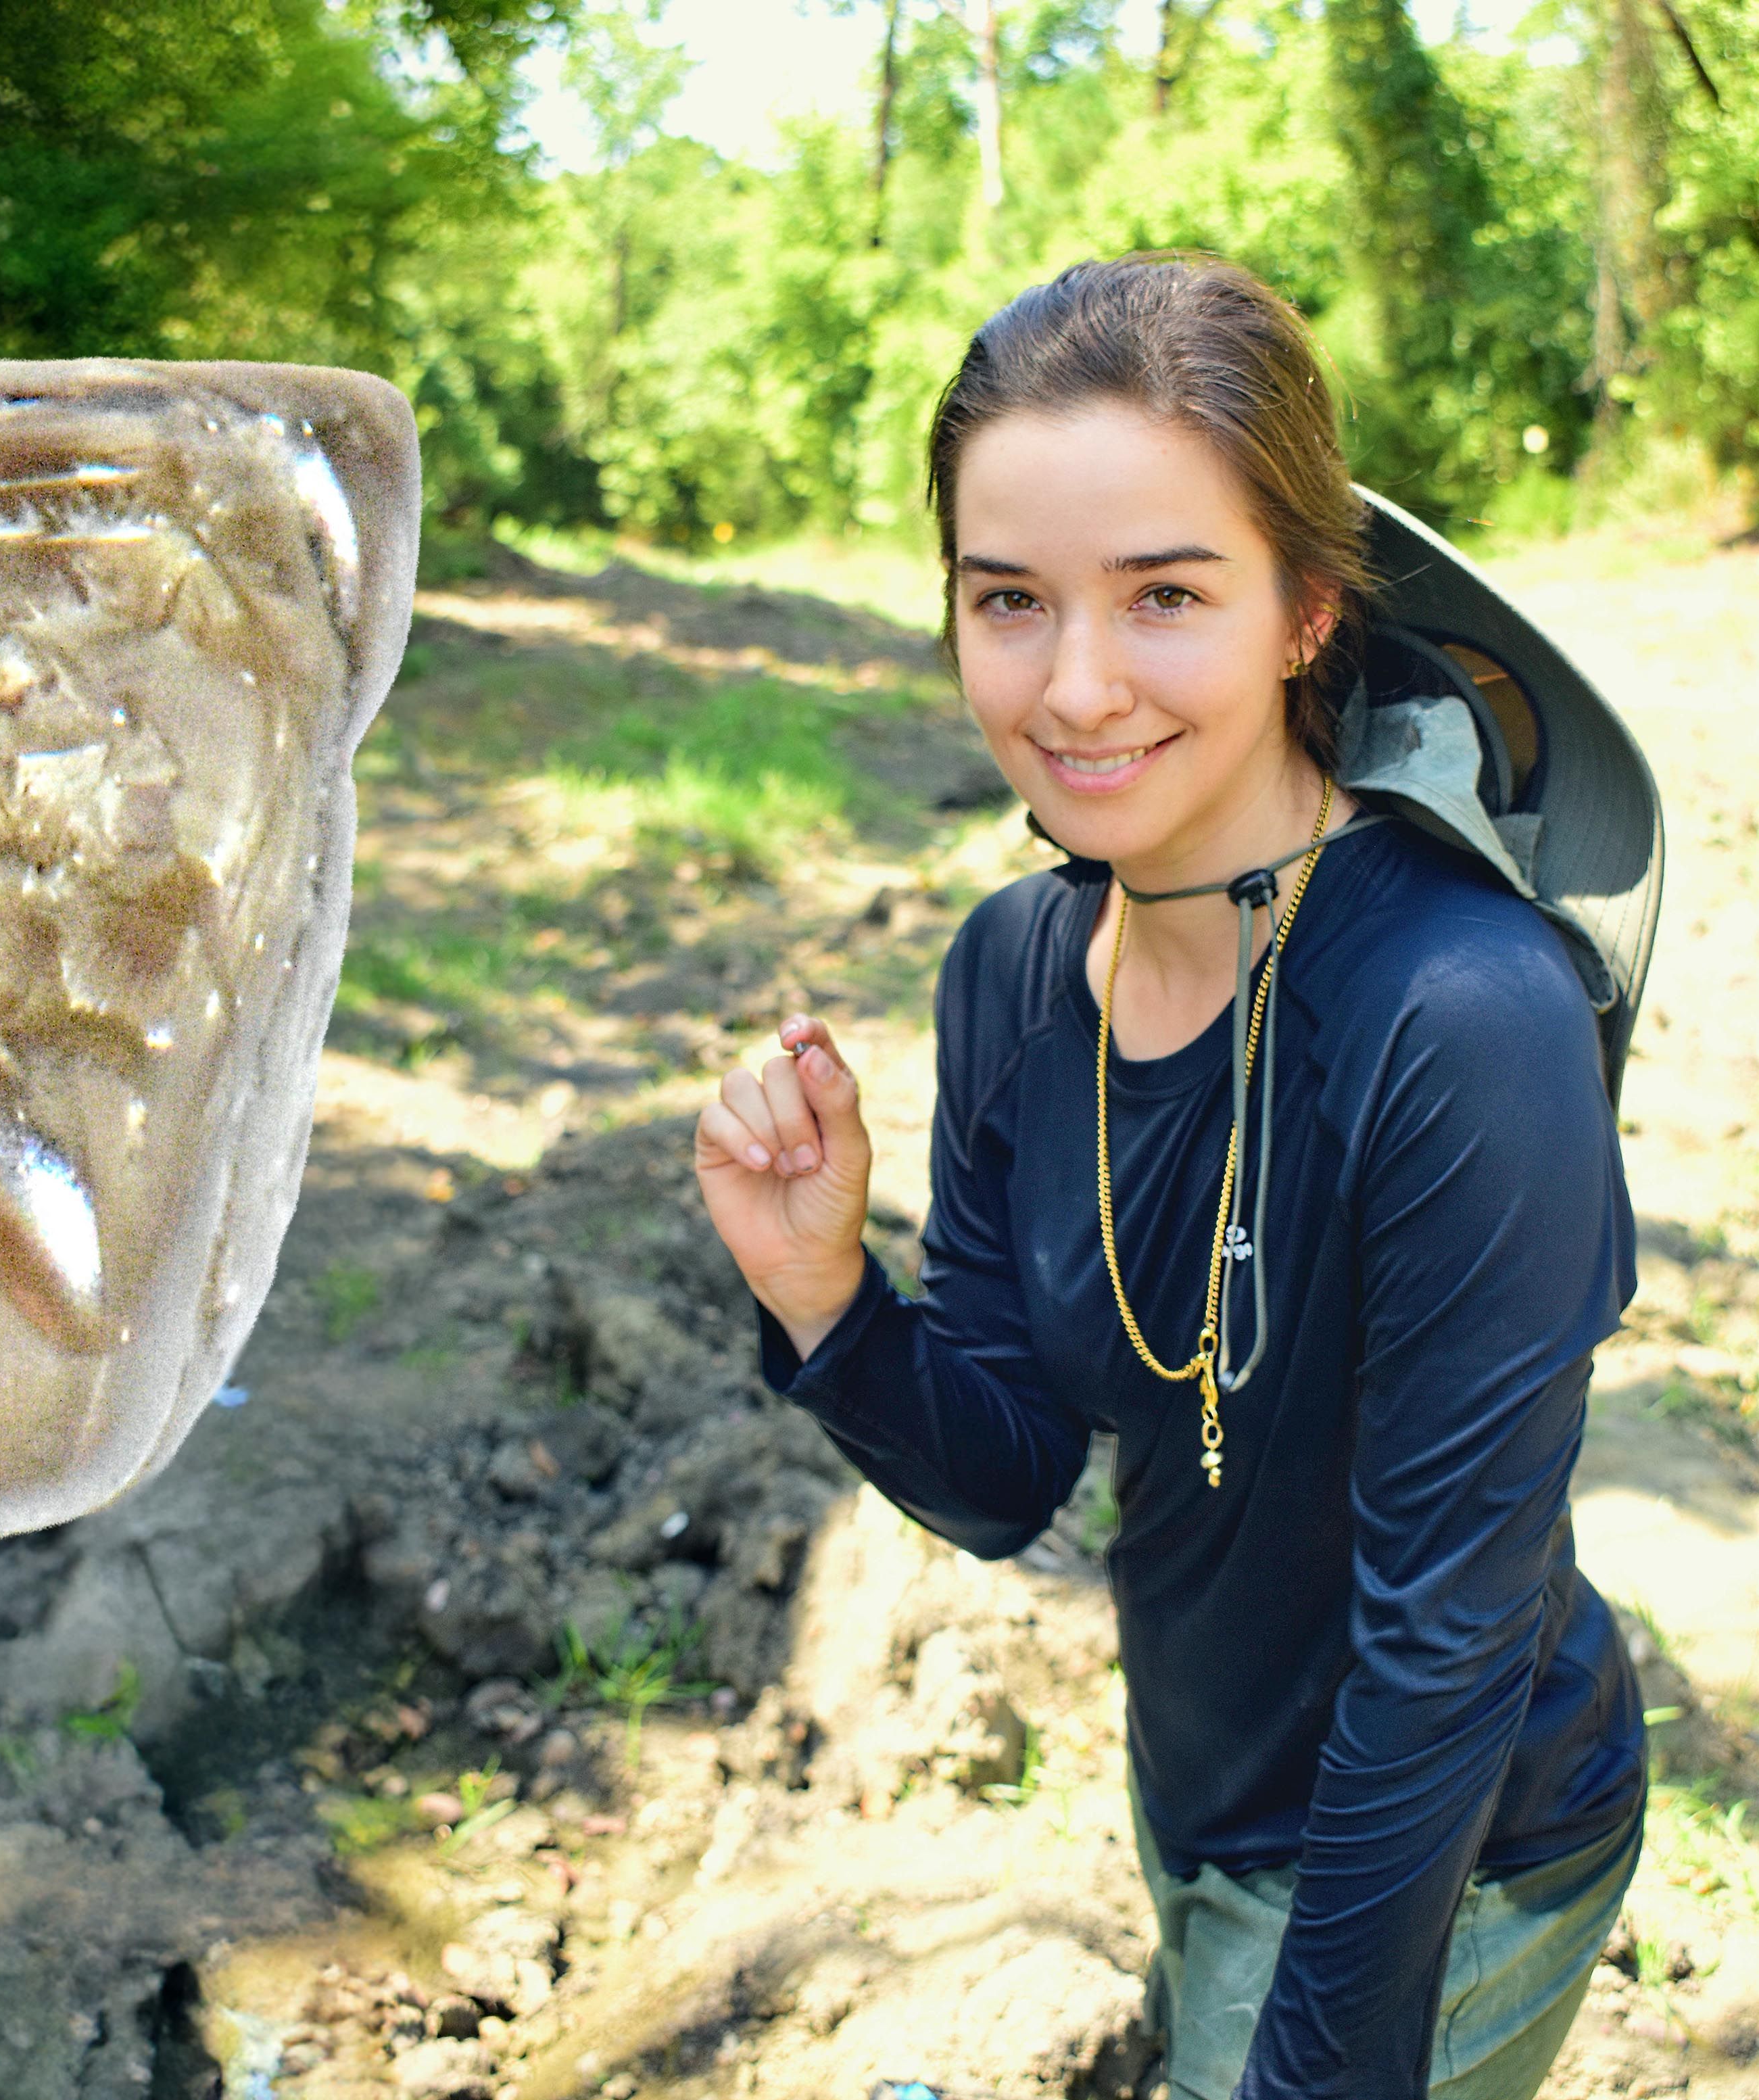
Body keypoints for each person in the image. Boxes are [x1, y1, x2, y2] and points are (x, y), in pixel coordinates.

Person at [692, 252, 1647, 2099]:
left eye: (1163, 597)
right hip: (1207, 1792)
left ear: (1301, 607)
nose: (1072, 686)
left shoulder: (1458, 1012)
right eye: (1007, 601)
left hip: (1437, 1847)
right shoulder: (1014, 966)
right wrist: (821, 1284)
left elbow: (1440, 1644)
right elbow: (1004, 1473)